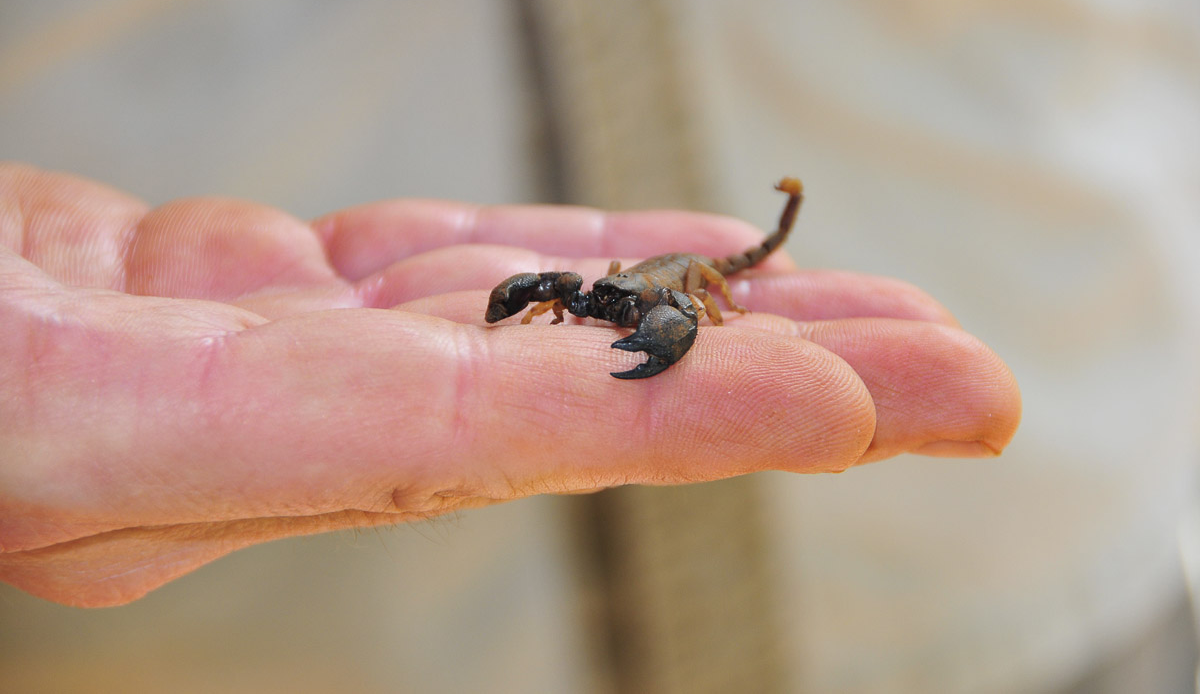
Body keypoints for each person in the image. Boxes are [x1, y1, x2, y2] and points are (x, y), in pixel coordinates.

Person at [0, 161, 1019, 607]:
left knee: (718, 291)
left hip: (688, 282)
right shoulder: (602, 295)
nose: (573, 312)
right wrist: (531, 305)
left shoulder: (674, 295)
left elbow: (698, 292)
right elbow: (563, 294)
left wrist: (714, 310)